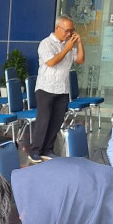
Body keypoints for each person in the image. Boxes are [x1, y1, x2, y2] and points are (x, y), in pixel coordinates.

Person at [29, 15, 84, 163]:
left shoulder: (69, 44)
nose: (69, 34)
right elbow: (52, 62)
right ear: (57, 28)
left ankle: (48, 149)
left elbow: (80, 60)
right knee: (44, 120)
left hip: (63, 88)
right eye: (67, 31)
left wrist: (79, 43)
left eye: (71, 31)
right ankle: (35, 151)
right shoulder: (46, 44)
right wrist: (66, 49)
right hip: (46, 87)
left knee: (57, 121)